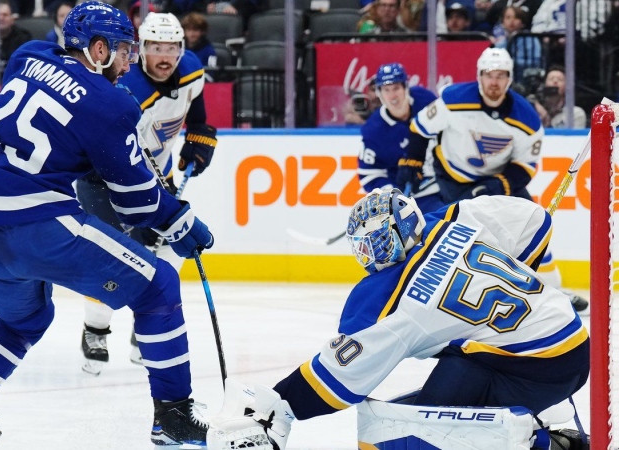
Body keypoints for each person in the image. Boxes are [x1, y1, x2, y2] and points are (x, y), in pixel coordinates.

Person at [0, 2, 214, 448]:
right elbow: (138, 204)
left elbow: (53, 61)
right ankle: (173, 416)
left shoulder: (27, 57)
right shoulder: (111, 102)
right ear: (98, 49)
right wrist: (181, 222)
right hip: (36, 228)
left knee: (24, 320)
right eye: (122, 50)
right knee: (159, 286)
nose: (128, 61)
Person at [207, 188, 590, 450]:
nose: (373, 254)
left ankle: (540, 443)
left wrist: (283, 404)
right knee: (461, 365)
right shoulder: (458, 220)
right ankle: (559, 422)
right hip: (573, 337)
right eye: (365, 245)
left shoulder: (396, 300)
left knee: (433, 426)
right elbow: (535, 219)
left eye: (379, 241)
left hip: (533, 368)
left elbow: (338, 377)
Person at [76, 11, 217, 374]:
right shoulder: (128, 89)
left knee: (170, 248)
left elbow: (197, 115)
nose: (164, 56)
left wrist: (200, 139)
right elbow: (111, 152)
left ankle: (147, 327)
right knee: (111, 255)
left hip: (152, 173)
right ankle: (95, 328)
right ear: (141, 49)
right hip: (102, 178)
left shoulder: (190, 70)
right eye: (155, 47)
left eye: (172, 47)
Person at [397, 47, 588, 311]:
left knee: (532, 226)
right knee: (471, 234)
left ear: (509, 78)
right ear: (479, 76)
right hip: (455, 178)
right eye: (488, 74)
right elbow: (420, 127)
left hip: (501, 179)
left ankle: (554, 290)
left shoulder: (527, 118)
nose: (494, 82)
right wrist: (412, 161)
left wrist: (498, 185)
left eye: (501, 75)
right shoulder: (452, 99)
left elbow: (524, 166)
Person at [358, 63, 444, 213]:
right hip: (416, 199)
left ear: (406, 87)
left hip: (448, 183)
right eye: (386, 90)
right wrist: (393, 198)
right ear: (379, 93)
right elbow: (369, 175)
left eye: (396, 88)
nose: (392, 95)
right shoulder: (374, 130)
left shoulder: (425, 100)